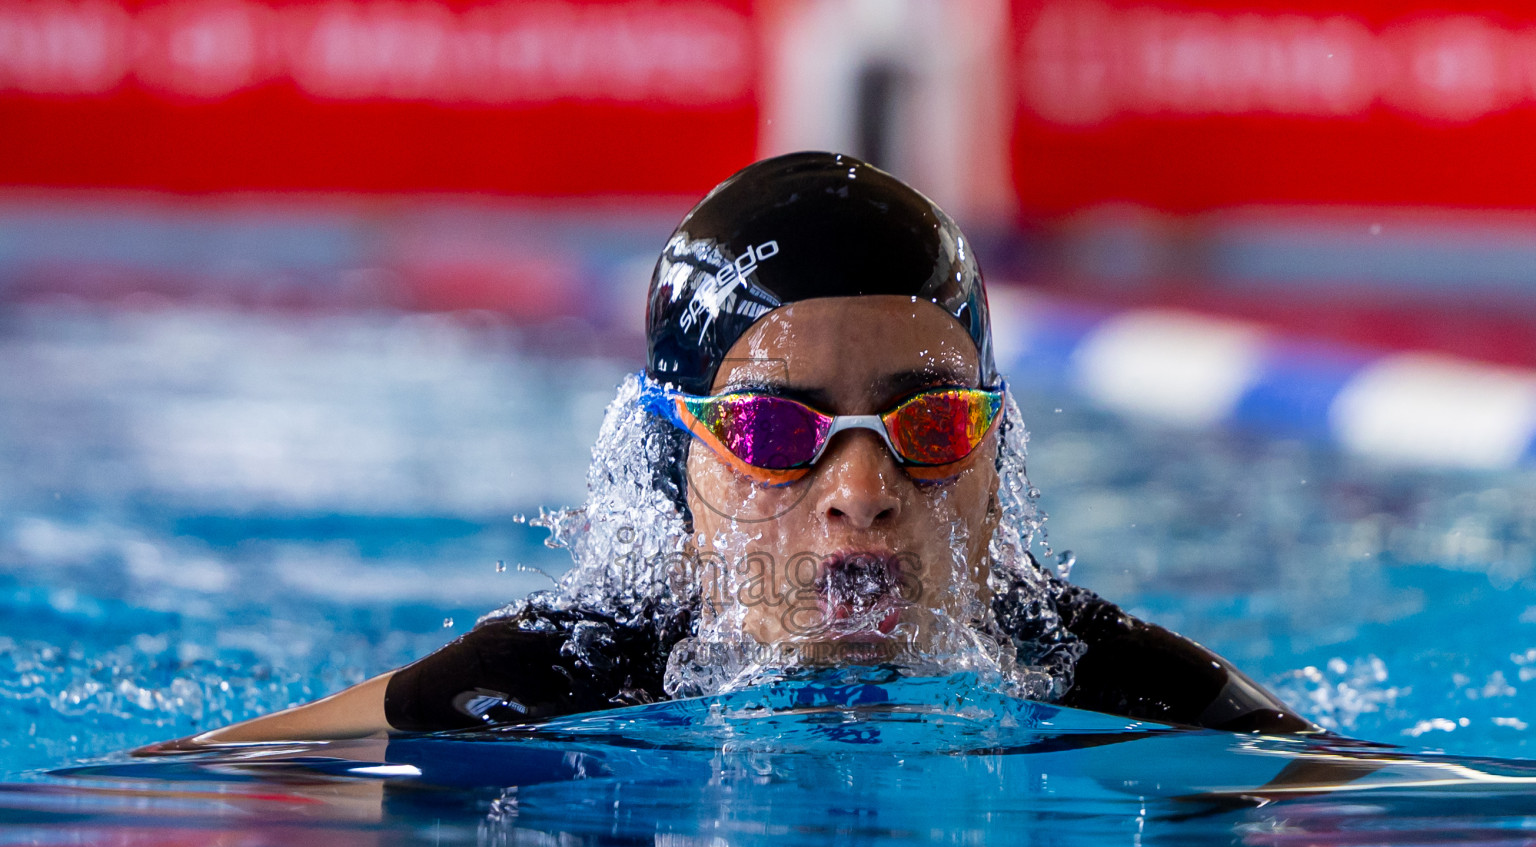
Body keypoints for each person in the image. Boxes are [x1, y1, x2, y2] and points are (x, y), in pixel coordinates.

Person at [143, 152, 1315, 752]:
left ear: (995, 466)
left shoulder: (1098, 675)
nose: (862, 494)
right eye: (773, 432)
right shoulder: (575, 673)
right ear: (677, 475)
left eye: (932, 426)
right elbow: (189, 788)